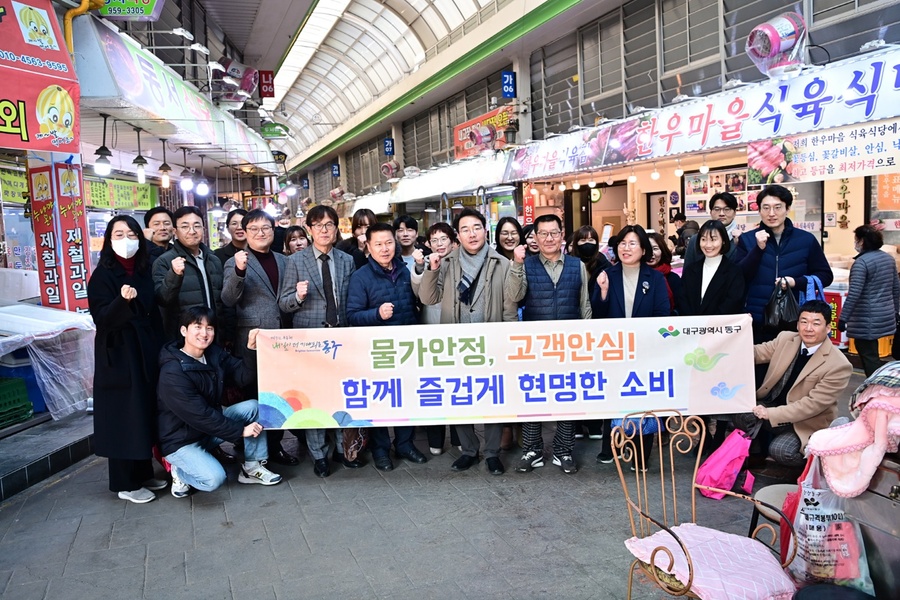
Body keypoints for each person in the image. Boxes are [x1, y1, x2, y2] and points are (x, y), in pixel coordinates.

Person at [417, 208, 518, 475]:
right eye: (465, 229)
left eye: (476, 227)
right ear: (457, 236)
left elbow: (509, 306)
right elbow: (429, 298)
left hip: (491, 341)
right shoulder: (447, 262)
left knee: (494, 397)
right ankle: (470, 450)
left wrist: (508, 339)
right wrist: (431, 270)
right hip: (457, 343)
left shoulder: (501, 263)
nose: (471, 234)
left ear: (486, 231)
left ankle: (492, 452)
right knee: (460, 396)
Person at [157, 307, 282, 498]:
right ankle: (179, 471)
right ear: (184, 331)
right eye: (197, 327)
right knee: (214, 479)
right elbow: (200, 415)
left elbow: (242, 377)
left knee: (254, 408)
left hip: (206, 431)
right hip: (180, 441)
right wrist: (240, 430)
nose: (204, 333)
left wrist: (250, 349)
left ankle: (252, 467)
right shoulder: (172, 371)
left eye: (209, 328)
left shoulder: (213, 354)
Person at [505, 214, 592, 474]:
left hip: (569, 344)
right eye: (542, 234)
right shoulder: (526, 264)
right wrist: (517, 264)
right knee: (534, 396)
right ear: (535, 237)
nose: (549, 238)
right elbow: (515, 295)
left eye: (554, 233)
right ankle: (532, 450)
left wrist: (586, 341)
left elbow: (584, 305)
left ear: (562, 235)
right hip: (535, 345)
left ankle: (563, 451)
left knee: (566, 397)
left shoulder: (577, 266)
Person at [88, 215, 166, 504]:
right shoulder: (102, 275)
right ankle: (124, 482)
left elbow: (153, 312)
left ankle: (142, 472)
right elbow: (103, 319)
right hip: (119, 354)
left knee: (142, 411)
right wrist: (122, 301)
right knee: (123, 415)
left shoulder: (143, 270)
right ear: (108, 240)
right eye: (118, 234)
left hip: (145, 349)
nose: (126, 240)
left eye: (131, 234)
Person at [278, 205, 359, 478]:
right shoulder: (295, 261)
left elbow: (349, 300)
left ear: (336, 229)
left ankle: (341, 448)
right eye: (318, 225)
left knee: (339, 396)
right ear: (309, 230)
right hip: (310, 341)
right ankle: (318, 454)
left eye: (329, 225)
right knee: (313, 399)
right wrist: (298, 297)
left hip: (341, 338)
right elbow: (284, 304)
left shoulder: (346, 260)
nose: (324, 230)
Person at [346, 223, 427, 471]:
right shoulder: (360, 277)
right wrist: (376, 314)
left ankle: (405, 443)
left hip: (407, 348)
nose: (385, 248)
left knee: (406, 397)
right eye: (378, 244)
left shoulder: (406, 270)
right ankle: (380, 449)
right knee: (380, 399)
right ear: (368, 246)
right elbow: (352, 315)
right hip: (377, 351)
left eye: (389, 243)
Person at [221, 209, 297, 466]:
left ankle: (275, 447)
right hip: (254, 339)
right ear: (244, 232)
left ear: (273, 229)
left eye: (265, 228)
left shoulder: (284, 260)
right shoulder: (236, 261)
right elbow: (228, 299)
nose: (260, 233)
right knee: (255, 394)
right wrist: (240, 271)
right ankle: (251, 450)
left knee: (279, 396)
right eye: (253, 229)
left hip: (284, 339)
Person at [736, 301, 853, 468]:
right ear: (797, 324)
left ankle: (812, 469)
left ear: (828, 328)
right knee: (741, 411)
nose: (808, 328)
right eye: (804, 321)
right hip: (773, 406)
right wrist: (740, 330)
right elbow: (755, 353)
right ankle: (757, 452)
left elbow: (811, 405)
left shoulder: (839, 364)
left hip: (806, 421)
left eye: (816, 323)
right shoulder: (786, 338)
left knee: (781, 451)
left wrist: (770, 413)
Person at [592, 225, 670, 464]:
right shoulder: (608, 274)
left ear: (643, 249)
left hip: (644, 349)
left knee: (641, 397)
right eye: (623, 243)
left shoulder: (655, 278)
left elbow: (662, 314)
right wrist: (603, 291)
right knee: (612, 396)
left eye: (632, 243)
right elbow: (597, 314)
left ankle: (641, 453)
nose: (626, 248)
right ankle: (610, 448)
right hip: (614, 348)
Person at [676, 219, 746, 450]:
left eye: (714, 239)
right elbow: (683, 299)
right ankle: (703, 434)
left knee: (721, 387)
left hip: (721, 340)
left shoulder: (733, 271)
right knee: (699, 387)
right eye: (704, 239)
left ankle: (718, 439)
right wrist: (695, 326)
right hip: (695, 339)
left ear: (723, 241)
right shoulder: (693, 269)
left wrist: (709, 326)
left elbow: (732, 302)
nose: (708, 244)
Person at [733, 184, 833, 343]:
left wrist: (796, 282)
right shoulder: (748, 239)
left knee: (791, 366)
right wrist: (758, 250)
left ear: (787, 209)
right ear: (759, 210)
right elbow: (739, 276)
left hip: (794, 320)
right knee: (759, 365)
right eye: (765, 208)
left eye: (777, 207)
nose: (771, 213)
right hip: (756, 320)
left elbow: (826, 276)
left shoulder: (806, 240)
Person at [412, 222, 462, 456]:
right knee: (433, 389)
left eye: (444, 239)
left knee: (458, 387)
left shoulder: (463, 262)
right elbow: (417, 292)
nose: (439, 244)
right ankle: (436, 439)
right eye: (435, 240)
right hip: (431, 332)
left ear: (454, 241)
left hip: (458, 334)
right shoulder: (424, 265)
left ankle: (460, 437)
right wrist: (422, 268)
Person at [152, 206, 225, 343]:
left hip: (214, 336)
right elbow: (162, 300)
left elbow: (221, 302)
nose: (192, 231)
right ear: (175, 231)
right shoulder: (165, 261)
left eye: (197, 226)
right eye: (185, 227)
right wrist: (174, 274)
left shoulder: (213, 259)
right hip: (184, 341)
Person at [838, 225, 900, 376]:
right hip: (885, 315)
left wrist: (843, 318)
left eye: (856, 239)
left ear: (862, 241)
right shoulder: (888, 259)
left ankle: (875, 386)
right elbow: (896, 288)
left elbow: (854, 294)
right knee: (873, 352)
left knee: (868, 354)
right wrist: (896, 311)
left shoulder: (862, 263)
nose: (855, 243)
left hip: (866, 318)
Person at [568, 225, 611, 440]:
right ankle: (575, 423)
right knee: (573, 377)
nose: (587, 244)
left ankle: (594, 423)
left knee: (593, 377)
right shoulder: (568, 262)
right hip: (571, 326)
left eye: (591, 240)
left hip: (596, 326)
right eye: (582, 240)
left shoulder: (603, 264)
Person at [683, 192, 741, 266]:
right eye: (717, 209)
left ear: (735, 213)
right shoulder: (696, 240)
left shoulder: (741, 240)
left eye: (727, 209)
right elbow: (687, 272)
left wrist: (739, 244)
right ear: (711, 212)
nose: (722, 213)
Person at [646, 231, 680, 314]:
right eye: (647, 249)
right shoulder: (636, 276)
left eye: (655, 249)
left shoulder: (673, 278)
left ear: (662, 250)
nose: (651, 253)